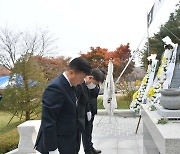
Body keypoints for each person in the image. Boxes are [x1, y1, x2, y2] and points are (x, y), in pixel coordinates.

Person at [34, 57, 91, 154]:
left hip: (69, 140)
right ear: (72, 72)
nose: (82, 82)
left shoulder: (71, 85)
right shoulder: (56, 87)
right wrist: (52, 149)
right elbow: (48, 121)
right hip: (58, 143)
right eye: (81, 78)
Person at [76, 68, 105, 154]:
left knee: (89, 131)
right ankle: (87, 150)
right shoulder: (82, 85)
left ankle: (89, 148)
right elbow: (83, 99)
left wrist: (89, 110)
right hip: (81, 113)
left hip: (89, 109)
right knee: (83, 133)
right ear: (90, 77)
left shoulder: (88, 84)